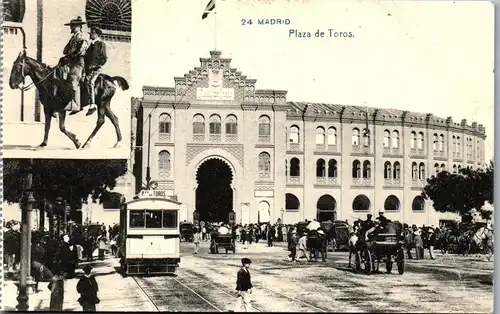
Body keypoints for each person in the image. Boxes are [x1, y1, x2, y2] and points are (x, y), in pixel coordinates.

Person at [58, 16, 89, 115]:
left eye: (74, 26)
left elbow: (81, 51)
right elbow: (65, 50)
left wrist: (70, 56)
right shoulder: (73, 37)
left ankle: (77, 105)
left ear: (79, 26)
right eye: (71, 26)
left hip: (78, 61)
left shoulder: (82, 36)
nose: (71, 28)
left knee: (73, 78)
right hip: (71, 61)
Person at [83, 27, 107, 116]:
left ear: (96, 34)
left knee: (91, 82)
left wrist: (95, 65)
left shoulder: (101, 44)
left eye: (92, 33)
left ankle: (92, 105)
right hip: (88, 70)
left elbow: (104, 58)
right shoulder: (91, 45)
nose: (90, 34)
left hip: (97, 69)